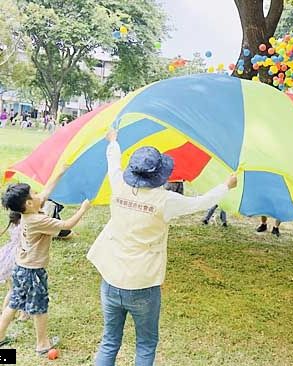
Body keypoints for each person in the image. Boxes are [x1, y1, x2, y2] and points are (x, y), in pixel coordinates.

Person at [87, 130, 237, 366]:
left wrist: (114, 141)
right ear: (159, 175)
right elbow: (201, 203)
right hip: (143, 284)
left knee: (109, 341)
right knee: (145, 345)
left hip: (111, 279)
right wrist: (226, 185)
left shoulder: (118, 185)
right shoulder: (166, 201)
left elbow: (113, 163)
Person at [0, 172, 91, 355]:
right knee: (39, 307)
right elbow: (66, 225)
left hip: (20, 267)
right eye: (34, 194)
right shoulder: (37, 219)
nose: (38, 195)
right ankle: (42, 344)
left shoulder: (28, 212)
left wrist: (60, 170)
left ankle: (0, 336)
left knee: (14, 302)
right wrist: (83, 209)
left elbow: (46, 191)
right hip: (32, 272)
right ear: (29, 203)